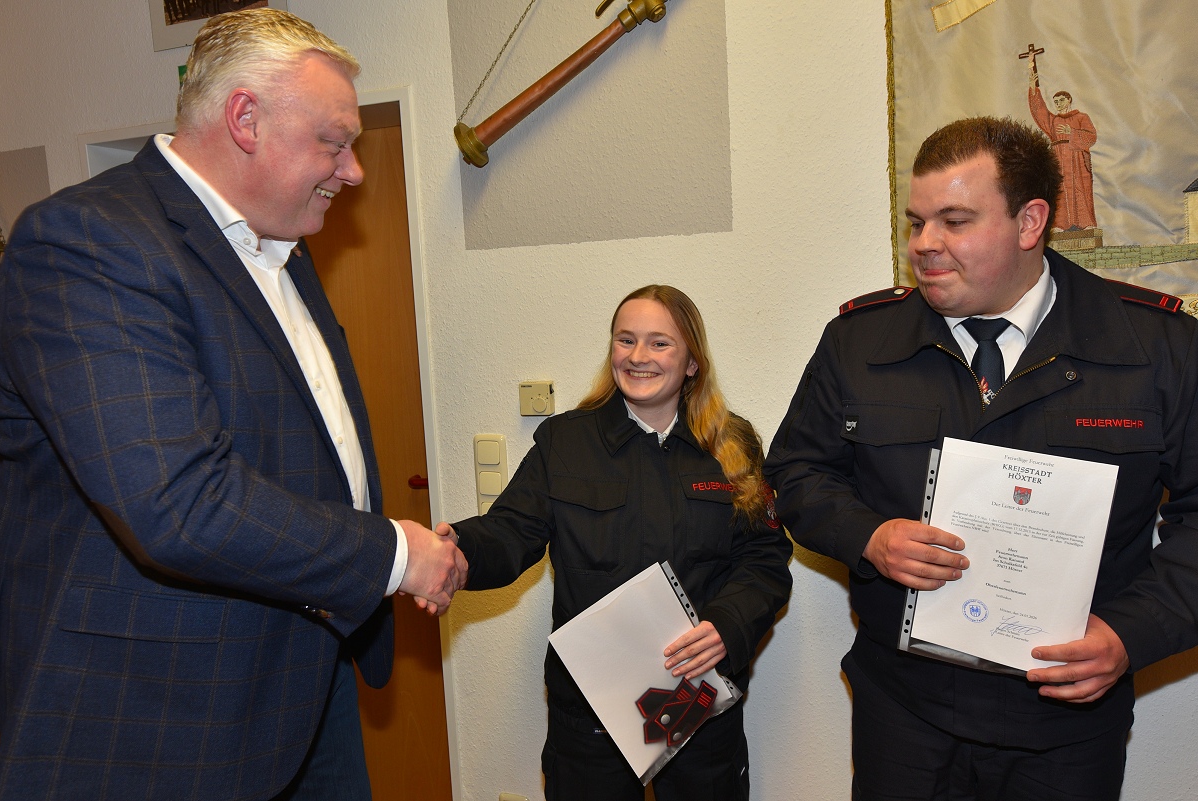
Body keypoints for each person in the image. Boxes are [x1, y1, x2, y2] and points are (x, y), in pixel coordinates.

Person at [0, 9, 466, 801]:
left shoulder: (283, 246)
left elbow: (299, 446)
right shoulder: (86, 240)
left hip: (306, 676)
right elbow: (177, 501)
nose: (353, 171)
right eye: (333, 142)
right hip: (162, 720)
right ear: (245, 119)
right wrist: (392, 554)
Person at [764, 116, 1198, 800]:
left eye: (955, 221)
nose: (924, 245)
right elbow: (796, 473)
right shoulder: (860, 341)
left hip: (1065, 723)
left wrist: (1129, 635)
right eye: (916, 222)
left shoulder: (1157, 346)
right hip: (905, 712)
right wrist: (869, 536)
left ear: (1030, 222)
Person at [438, 285, 792, 800]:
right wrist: (458, 549)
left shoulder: (732, 443)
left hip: (697, 702)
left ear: (692, 362)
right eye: (626, 340)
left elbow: (764, 557)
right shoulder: (564, 442)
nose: (638, 356)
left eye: (659, 343)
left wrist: (728, 626)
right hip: (591, 712)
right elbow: (510, 530)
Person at [1027, 54, 1098, 231]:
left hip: (1077, 160)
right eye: (1056, 102)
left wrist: (1072, 133)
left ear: (1069, 100)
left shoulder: (1081, 117)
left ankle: (1085, 223)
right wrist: (1033, 87)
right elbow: (1040, 112)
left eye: (1061, 100)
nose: (1058, 104)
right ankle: (1061, 224)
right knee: (1059, 190)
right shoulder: (1053, 121)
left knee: (1080, 189)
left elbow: (1091, 137)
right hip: (1058, 159)